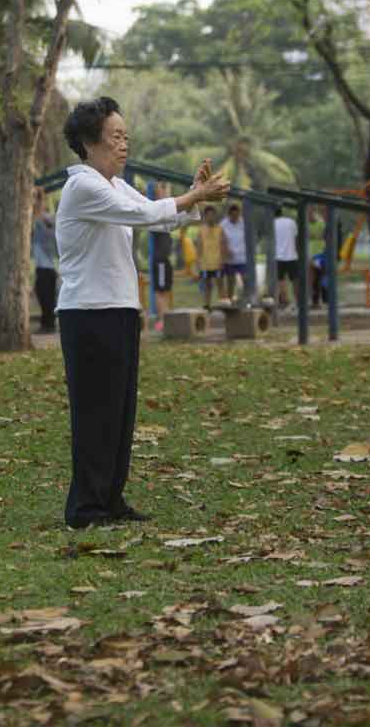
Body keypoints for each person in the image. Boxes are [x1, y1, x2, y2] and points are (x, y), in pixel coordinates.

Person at [55, 96, 228, 529]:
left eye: (126, 136)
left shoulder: (113, 184)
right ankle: (86, 507)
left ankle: (110, 499)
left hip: (118, 310)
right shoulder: (83, 186)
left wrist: (192, 196)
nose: (123, 144)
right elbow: (142, 212)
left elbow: (158, 219)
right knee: (95, 412)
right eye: (115, 136)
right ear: (89, 143)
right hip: (88, 313)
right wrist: (193, 196)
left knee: (119, 411)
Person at [32, 188, 60, 334]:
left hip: (48, 267)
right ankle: (46, 323)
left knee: (47, 297)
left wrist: (40, 198)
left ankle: (49, 325)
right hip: (42, 266)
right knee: (42, 294)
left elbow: (38, 215)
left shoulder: (48, 221)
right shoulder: (39, 222)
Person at [148, 193, 175, 329]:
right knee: (161, 291)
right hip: (160, 262)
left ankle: (165, 317)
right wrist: (161, 191)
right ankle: (162, 320)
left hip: (164, 261)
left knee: (166, 290)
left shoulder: (165, 221)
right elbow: (160, 201)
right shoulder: (156, 219)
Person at [197, 206, 225, 306]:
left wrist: (222, 259)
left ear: (215, 216)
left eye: (212, 215)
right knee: (207, 285)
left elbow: (223, 245)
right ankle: (207, 305)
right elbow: (199, 246)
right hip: (205, 263)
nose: (210, 217)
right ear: (205, 216)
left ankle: (223, 304)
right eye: (208, 215)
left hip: (217, 262)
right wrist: (198, 261)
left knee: (220, 284)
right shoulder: (201, 230)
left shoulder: (220, 229)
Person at [272, 205, 299, 307]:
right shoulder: (291, 222)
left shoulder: (272, 224)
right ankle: (297, 301)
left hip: (278, 256)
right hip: (292, 255)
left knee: (281, 280)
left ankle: (285, 301)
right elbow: (296, 238)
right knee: (295, 279)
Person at [221, 203, 248, 303]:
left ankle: (246, 299)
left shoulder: (243, 223)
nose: (235, 217)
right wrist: (226, 249)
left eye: (237, 215)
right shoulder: (224, 224)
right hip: (229, 259)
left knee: (245, 279)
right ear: (229, 214)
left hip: (242, 257)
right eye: (233, 215)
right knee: (230, 281)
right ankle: (230, 300)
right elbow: (221, 238)